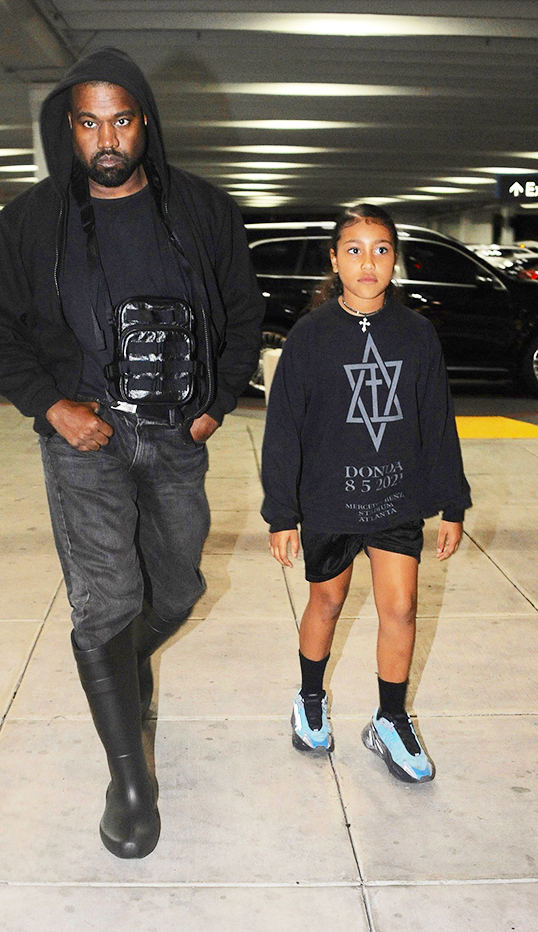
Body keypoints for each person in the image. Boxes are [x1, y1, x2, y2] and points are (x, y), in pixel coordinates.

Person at [0, 47, 264, 858]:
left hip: (176, 432)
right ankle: (131, 783)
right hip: (85, 437)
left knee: (178, 587)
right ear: (68, 129)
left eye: (121, 120)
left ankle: (121, 672)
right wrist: (52, 406)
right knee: (106, 600)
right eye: (89, 123)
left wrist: (215, 405)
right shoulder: (29, 223)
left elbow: (242, 313)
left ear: (145, 123)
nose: (107, 139)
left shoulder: (203, 211)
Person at [261, 204, 471, 784]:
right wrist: (282, 512)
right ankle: (309, 698)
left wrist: (452, 501)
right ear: (335, 260)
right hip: (329, 498)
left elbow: (437, 419)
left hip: (396, 496)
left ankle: (390, 719)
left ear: (394, 259)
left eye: (381, 249)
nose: (368, 262)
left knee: (400, 607)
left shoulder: (416, 333)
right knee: (327, 602)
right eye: (354, 250)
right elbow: (284, 428)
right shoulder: (310, 336)